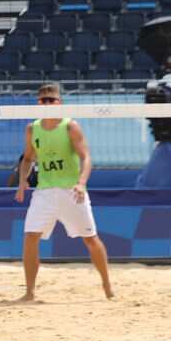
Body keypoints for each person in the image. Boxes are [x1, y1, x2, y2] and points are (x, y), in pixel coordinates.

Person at [13, 83, 114, 301]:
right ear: (38, 103)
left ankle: (107, 284)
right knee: (30, 237)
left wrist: (82, 182)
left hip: (71, 190)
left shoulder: (70, 126)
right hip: (44, 192)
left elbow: (86, 157)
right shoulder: (32, 128)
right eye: (43, 100)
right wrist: (22, 180)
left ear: (60, 103)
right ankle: (29, 291)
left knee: (90, 239)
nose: (48, 103)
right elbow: (28, 158)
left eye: (52, 100)